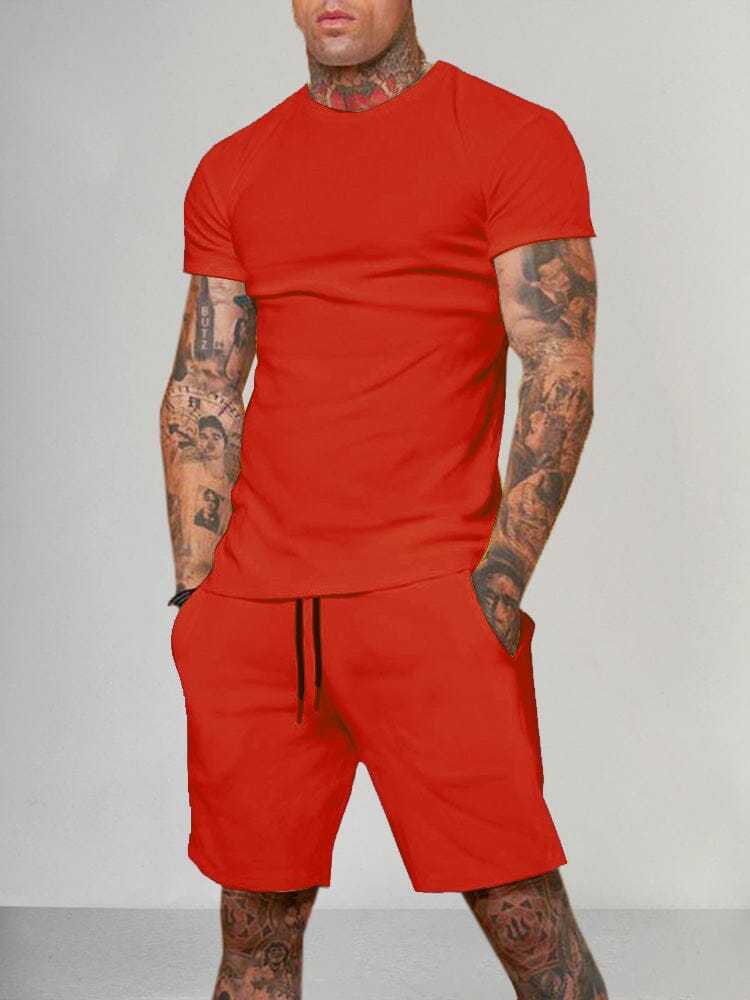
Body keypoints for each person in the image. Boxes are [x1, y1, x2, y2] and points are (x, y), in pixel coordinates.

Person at [160, 2, 607, 997]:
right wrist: (199, 595)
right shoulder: (235, 165)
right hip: (258, 617)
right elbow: (203, 382)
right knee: (254, 943)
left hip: (430, 599)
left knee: (533, 934)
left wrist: (497, 585)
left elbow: (558, 367)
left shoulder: (511, 137)